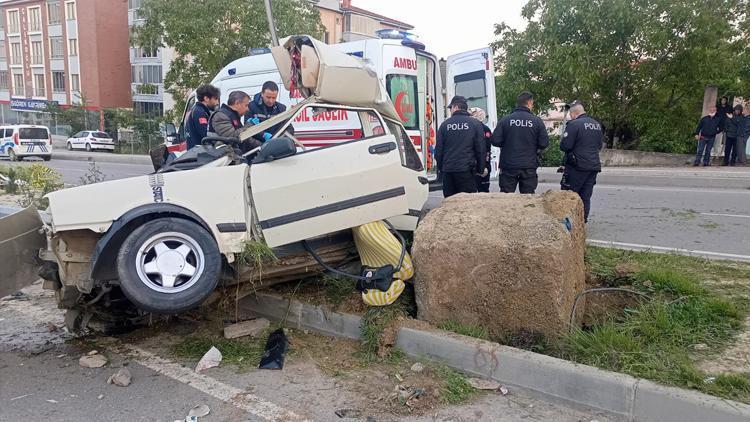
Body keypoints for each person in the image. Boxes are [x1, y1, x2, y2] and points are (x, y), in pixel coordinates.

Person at [492, 91, 549, 194]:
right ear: (529, 103)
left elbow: (495, 141)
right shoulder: (536, 121)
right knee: (528, 198)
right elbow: (544, 143)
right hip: (529, 166)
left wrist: (508, 143)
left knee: (505, 197)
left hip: (508, 165)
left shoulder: (505, 120)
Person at [559, 101, 603, 223]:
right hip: (593, 166)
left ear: (574, 113)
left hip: (577, 166)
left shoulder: (574, 124)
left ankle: (568, 224)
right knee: (585, 196)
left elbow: (565, 146)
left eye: (570, 114)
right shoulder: (596, 124)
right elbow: (599, 145)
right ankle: (582, 223)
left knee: (569, 195)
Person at [435, 96, 486, 198]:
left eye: (451, 108)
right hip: (466, 171)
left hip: (448, 171)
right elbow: (480, 149)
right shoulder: (475, 124)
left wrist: (442, 169)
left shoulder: (445, 125)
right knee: (467, 204)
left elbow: (438, 151)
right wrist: (480, 169)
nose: (450, 110)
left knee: (450, 203)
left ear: (456, 107)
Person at [186, 84, 221, 150]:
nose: (217, 103)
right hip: (199, 154)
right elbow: (206, 135)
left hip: (198, 153)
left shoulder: (198, 110)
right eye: (215, 99)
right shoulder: (199, 113)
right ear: (206, 98)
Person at [468, 107, 493, 192]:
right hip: (471, 165)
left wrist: (485, 166)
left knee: (483, 190)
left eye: (472, 114)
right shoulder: (469, 128)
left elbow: (487, 150)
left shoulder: (485, 129)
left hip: (482, 165)